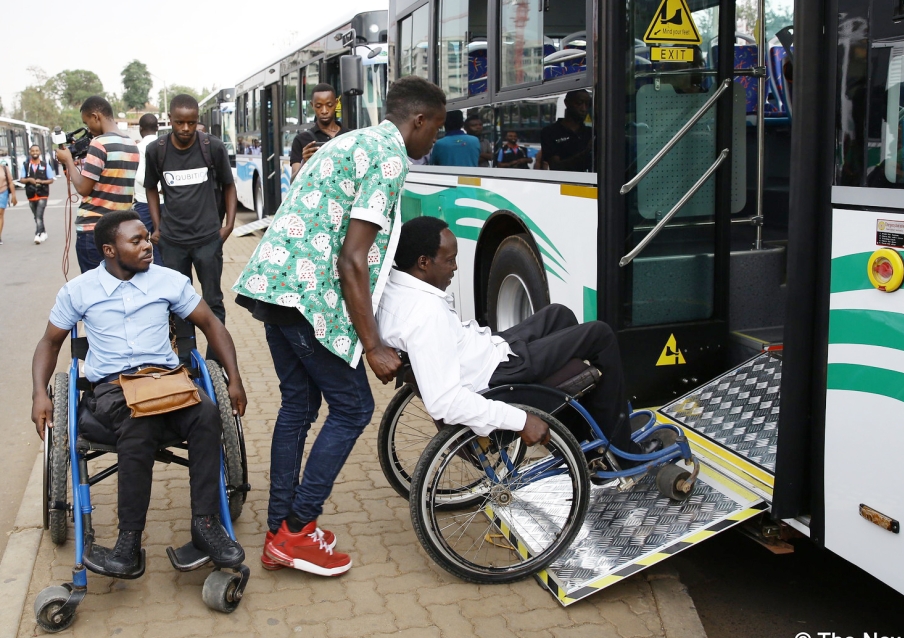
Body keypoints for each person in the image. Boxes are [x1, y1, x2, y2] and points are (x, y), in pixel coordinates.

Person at [233, 75, 446, 577]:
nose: (433, 140)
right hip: (306, 295)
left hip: (275, 286)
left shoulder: (352, 141)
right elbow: (353, 258)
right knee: (353, 408)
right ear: (417, 120)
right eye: (434, 129)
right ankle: (299, 530)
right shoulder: (390, 156)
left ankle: (279, 530)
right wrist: (372, 344)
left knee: (299, 406)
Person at [30, 210, 248, 579]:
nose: (148, 245)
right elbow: (50, 342)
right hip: (113, 388)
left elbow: (211, 323)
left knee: (207, 413)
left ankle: (206, 525)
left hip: (167, 381)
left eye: (147, 238)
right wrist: (40, 393)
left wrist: (235, 378)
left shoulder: (168, 281)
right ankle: (128, 542)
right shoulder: (79, 291)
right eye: (137, 241)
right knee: (139, 422)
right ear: (109, 250)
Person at [377, 217, 666, 459]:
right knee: (600, 335)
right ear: (424, 262)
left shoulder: (394, 288)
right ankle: (621, 451)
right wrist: (522, 420)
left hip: (484, 352)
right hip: (497, 375)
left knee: (559, 315)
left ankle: (580, 440)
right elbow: (446, 402)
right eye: (450, 260)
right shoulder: (427, 316)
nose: (455, 267)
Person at [145, 94, 237, 331]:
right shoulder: (157, 150)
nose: (186, 128)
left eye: (192, 123)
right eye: (179, 123)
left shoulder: (212, 147)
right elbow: (150, 188)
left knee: (213, 301)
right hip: (173, 242)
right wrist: (157, 227)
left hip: (208, 240)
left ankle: (216, 362)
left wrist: (228, 226)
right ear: (170, 119)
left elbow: (229, 185)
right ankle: (185, 361)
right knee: (178, 303)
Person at [56, 96, 140, 273]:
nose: (89, 129)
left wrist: (69, 161)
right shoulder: (131, 144)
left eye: (87, 123)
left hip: (93, 229)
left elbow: (83, 188)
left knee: (96, 292)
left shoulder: (99, 143)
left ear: (96, 116)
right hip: (119, 229)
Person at [289, 83, 344, 183]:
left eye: (329, 105)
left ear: (336, 103)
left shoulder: (350, 135)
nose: (324, 111)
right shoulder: (301, 140)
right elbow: (293, 182)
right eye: (318, 106)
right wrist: (304, 163)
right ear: (312, 105)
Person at [133, 114, 164, 265]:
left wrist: (154, 187)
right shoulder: (164, 145)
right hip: (165, 205)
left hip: (144, 204)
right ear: (157, 128)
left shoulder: (138, 148)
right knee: (162, 244)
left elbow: (140, 176)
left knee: (141, 243)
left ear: (140, 128)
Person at [536, 89, 593, 172]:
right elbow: (555, 166)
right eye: (579, 103)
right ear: (567, 103)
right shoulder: (550, 132)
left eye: (587, 105)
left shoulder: (590, 132)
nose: (584, 109)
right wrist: (586, 152)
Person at [20, 145, 55, 244]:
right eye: (33, 151)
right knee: (36, 216)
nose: (35, 152)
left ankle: (38, 234)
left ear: (39, 152)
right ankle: (43, 232)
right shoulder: (26, 166)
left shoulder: (45, 165)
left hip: (42, 194)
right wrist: (29, 180)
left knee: (39, 215)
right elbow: (21, 179)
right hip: (31, 194)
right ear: (30, 152)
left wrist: (42, 182)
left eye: (36, 150)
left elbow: (51, 180)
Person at [0, 153, 16, 246]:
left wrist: (14, 195)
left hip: (3, 192)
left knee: (0, 214)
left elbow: (10, 182)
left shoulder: (4, 168)